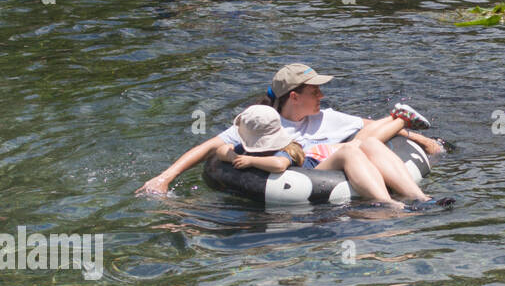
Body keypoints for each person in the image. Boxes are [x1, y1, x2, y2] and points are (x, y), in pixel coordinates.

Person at [137, 64, 446, 206]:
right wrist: (164, 179)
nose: (322, 96)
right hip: (299, 173)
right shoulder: (263, 123)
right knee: (354, 149)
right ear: (294, 96)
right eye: (315, 91)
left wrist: (422, 140)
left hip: (325, 165)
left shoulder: (328, 117)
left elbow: (371, 127)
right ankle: (389, 206)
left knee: (365, 142)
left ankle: (420, 199)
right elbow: (207, 148)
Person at [215, 105, 308, 175]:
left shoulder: (284, 151)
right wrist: (234, 158)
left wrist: (252, 161)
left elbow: (279, 165)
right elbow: (221, 150)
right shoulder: (246, 148)